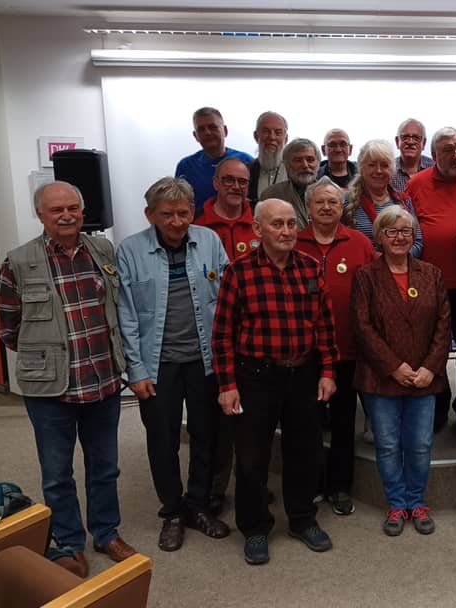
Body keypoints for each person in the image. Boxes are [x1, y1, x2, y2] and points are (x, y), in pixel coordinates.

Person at [0, 181, 136, 578]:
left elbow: (118, 307)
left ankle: (106, 533)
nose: (67, 215)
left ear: (82, 210)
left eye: (73, 207)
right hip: (50, 391)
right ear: (40, 214)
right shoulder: (19, 261)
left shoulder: (102, 250)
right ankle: (70, 543)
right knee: (57, 475)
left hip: (103, 381)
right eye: (56, 210)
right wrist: (48, 355)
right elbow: (7, 328)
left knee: (105, 467)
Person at [212, 198, 338, 565]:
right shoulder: (238, 272)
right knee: (252, 457)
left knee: (305, 452)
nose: (286, 231)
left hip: (303, 374)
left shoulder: (311, 268)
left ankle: (302, 520)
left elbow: (325, 325)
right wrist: (227, 385)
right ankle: (255, 528)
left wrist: (328, 371)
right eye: (277, 224)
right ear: (258, 229)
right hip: (255, 377)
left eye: (291, 223)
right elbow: (222, 334)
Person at [116, 177, 231, 552]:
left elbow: (227, 299)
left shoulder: (209, 241)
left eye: (183, 213)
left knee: (205, 436)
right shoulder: (130, 250)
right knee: (162, 440)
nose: (177, 222)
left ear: (193, 211)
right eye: (167, 214)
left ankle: (197, 505)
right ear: (150, 214)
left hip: (205, 361)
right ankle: (172, 511)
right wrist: (136, 371)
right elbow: (126, 315)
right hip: (157, 365)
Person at [351, 206, 451, 536]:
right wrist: (394, 367)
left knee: (420, 444)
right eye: (391, 231)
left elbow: (443, 325)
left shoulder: (432, 273)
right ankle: (396, 504)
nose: (399, 237)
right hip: (381, 378)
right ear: (379, 237)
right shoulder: (365, 276)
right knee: (388, 445)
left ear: (414, 236)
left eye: (406, 231)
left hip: (425, 377)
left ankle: (416, 502)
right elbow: (362, 327)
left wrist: (430, 368)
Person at [295, 177, 376, 516]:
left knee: (344, 423)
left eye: (333, 202)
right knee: (307, 423)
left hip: (347, 351)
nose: (327, 207)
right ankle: (311, 484)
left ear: (342, 208)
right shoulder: (293, 242)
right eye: (320, 202)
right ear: (308, 208)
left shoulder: (359, 243)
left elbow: (374, 292)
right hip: (303, 353)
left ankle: (340, 487)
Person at [405, 126, 456, 433]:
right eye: (448, 150)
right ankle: (437, 408)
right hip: (429, 284)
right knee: (433, 350)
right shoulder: (416, 183)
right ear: (434, 154)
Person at [192, 156, 258, 515]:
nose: (236, 186)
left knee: (250, 422)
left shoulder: (259, 224)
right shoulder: (198, 226)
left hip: (255, 340)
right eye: (229, 180)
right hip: (212, 337)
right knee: (213, 422)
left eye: (242, 181)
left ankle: (251, 485)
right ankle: (213, 490)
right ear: (216, 182)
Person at [344, 139, 423, 258]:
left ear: (392, 169)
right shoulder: (345, 201)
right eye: (372, 165)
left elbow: (418, 242)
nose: (379, 171)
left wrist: (395, 260)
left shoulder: (404, 201)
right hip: (359, 267)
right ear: (361, 168)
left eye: (385, 165)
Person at [175, 107, 254, 217]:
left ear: (225, 131)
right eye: (201, 129)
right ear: (195, 135)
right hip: (198, 225)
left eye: (212, 127)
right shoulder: (186, 166)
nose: (207, 132)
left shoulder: (246, 162)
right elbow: (178, 203)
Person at [260, 137, 320, 227]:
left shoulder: (332, 194)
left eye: (310, 160)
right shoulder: (271, 195)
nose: (305, 165)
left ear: (318, 163)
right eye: (298, 160)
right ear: (286, 165)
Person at [247, 111, 289, 202]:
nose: (272, 137)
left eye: (278, 133)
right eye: (266, 132)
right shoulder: (247, 171)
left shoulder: (294, 170)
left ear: (286, 139)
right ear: (256, 136)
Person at [390, 118, 434, 193]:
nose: (410, 142)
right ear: (397, 142)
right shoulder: (388, 171)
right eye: (405, 137)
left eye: (416, 138)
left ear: (424, 143)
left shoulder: (434, 169)